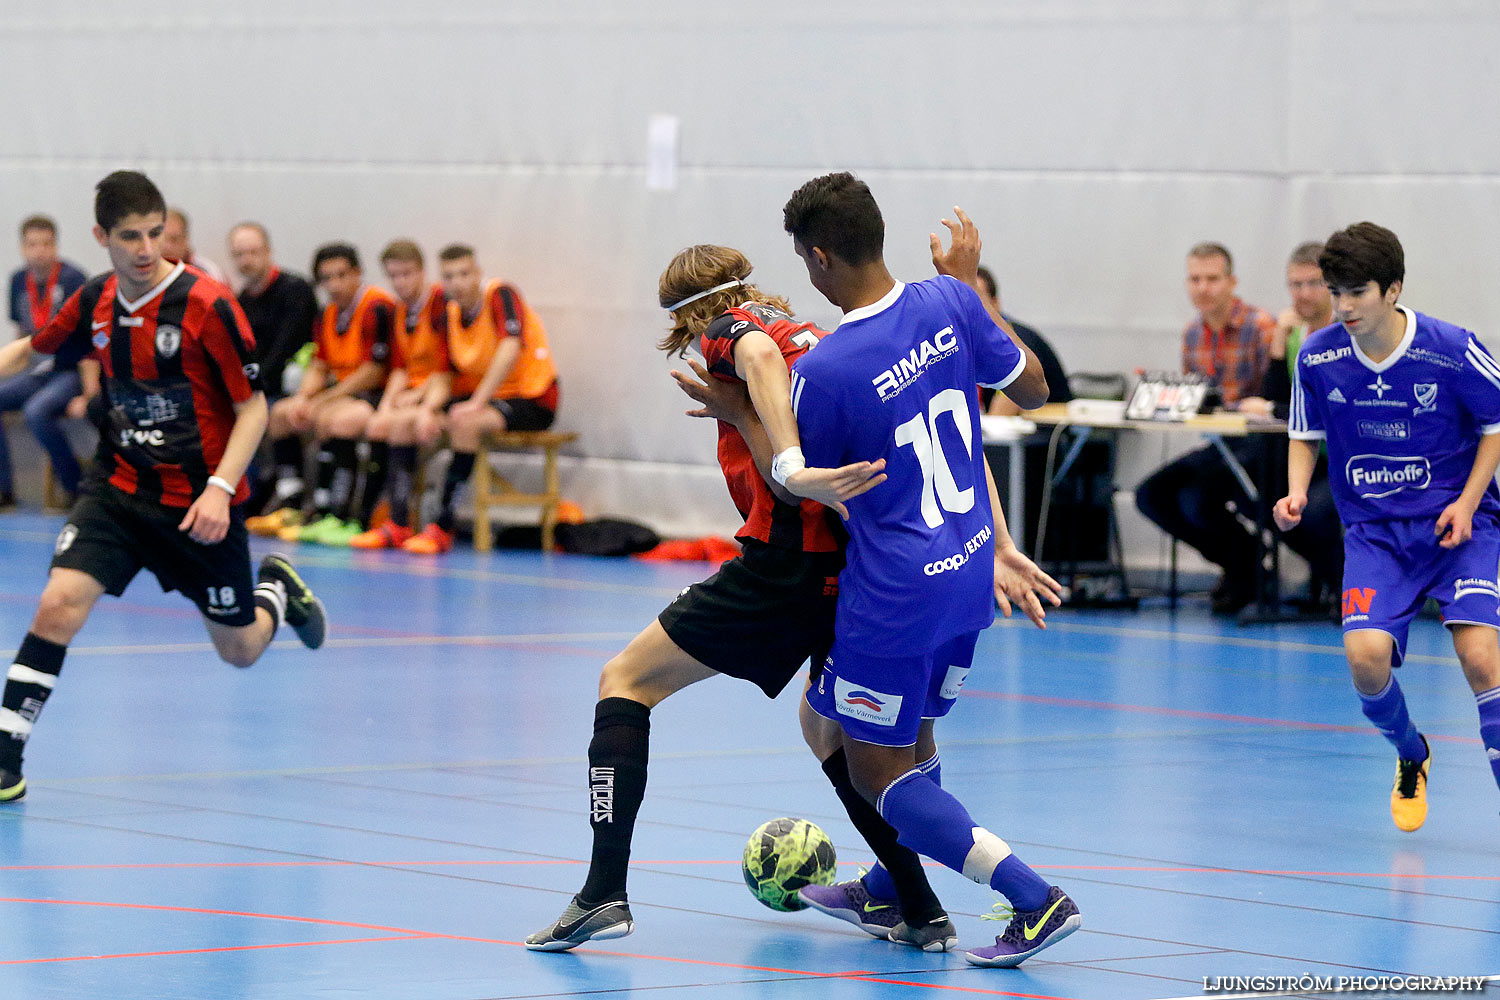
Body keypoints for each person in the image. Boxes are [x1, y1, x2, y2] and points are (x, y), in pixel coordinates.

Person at [526, 242, 971, 953]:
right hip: (851, 567)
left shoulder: (730, 329)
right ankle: (919, 908)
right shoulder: (810, 335)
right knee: (830, 730)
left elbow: (757, 359)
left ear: (683, 313)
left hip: (784, 567)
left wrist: (781, 456)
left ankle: (603, 891)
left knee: (624, 682)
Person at [780, 172, 1079, 968]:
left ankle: (1033, 898)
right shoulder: (949, 301)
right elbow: (1034, 390)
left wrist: (747, 412)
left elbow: (814, 494)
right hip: (969, 570)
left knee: (880, 774)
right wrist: (972, 287)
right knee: (837, 721)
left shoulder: (827, 370)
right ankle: (886, 881)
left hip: (895, 595)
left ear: (818, 258)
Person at [0, 171, 325, 804]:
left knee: (240, 649)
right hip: (118, 490)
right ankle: (5, 757)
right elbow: (31, 349)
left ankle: (277, 591)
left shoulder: (207, 306)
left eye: (155, 234)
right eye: (130, 237)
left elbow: (253, 409)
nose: (146, 250)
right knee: (58, 602)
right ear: (102, 237)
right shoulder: (94, 300)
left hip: (199, 505)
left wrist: (221, 489)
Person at [1276, 222, 1500, 831]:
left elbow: (1495, 424)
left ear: (1393, 289)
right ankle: (1411, 751)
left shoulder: (1450, 348)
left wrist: (1467, 501)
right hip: (1376, 534)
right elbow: (1304, 433)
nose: (1343, 306)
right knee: (1365, 657)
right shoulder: (1319, 355)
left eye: (1358, 293)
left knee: (1482, 658)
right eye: (1336, 291)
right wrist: (1297, 492)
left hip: (1460, 527)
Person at [1134, 242, 1277, 613]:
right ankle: (1242, 563)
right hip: (1219, 443)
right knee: (1151, 494)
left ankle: (1244, 570)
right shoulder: (1192, 334)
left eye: (1212, 279)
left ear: (1232, 282)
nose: (1203, 288)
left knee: (1196, 499)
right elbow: (1195, 399)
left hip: (1257, 443)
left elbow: (1275, 395)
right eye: (1195, 279)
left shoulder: (1260, 327)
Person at [414, 245, 558, 554]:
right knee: (405, 423)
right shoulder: (447, 313)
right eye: (449, 276)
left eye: (465, 273)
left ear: (477, 274)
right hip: (485, 399)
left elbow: (510, 347)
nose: (458, 282)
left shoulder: (500, 294)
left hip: (532, 398)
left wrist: (478, 401)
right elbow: (443, 373)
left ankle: (442, 526)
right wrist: (427, 409)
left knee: (465, 424)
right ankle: (396, 521)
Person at [248, 244, 393, 545]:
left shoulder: (376, 306)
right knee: (282, 414)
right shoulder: (327, 313)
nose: (334, 285)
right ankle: (294, 503)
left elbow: (374, 371)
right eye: (327, 278)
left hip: (378, 394)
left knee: (335, 420)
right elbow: (318, 363)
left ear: (357, 273)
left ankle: (339, 513)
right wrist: (304, 396)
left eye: (341, 275)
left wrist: (326, 399)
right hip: (341, 392)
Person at [1244, 242, 1343, 597]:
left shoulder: (1344, 336)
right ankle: (1325, 580)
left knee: (1314, 514)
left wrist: (1271, 411)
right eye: (1295, 285)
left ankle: (1343, 583)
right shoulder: (1295, 335)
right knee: (1254, 498)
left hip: (1342, 460)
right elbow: (1278, 396)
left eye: (1313, 283)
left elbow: (1324, 409)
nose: (1303, 293)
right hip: (1309, 458)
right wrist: (1278, 342)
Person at [349, 241, 451, 549]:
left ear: (422, 271)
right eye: (393, 276)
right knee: (380, 423)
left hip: (443, 392)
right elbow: (399, 368)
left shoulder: (441, 304)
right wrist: (386, 405)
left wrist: (421, 399)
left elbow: (448, 367)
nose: (400, 282)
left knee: (400, 426)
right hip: (416, 392)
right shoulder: (399, 311)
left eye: (406, 274)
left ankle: (403, 521)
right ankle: (383, 518)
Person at [1, 216, 91, 507]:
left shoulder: (74, 279)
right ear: (22, 247)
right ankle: (5, 489)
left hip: (69, 370)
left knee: (36, 411)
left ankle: (76, 486)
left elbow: (91, 339)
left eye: (46, 243)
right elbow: (22, 334)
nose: (39, 251)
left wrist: (89, 393)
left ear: (55, 246)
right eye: (32, 244)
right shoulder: (17, 281)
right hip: (35, 371)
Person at [229, 222, 319, 514]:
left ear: (268, 251)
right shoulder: (241, 301)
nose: (247, 260)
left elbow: (285, 350)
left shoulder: (295, 291)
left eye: (253, 252)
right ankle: (244, 493)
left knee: (257, 413)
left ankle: (275, 494)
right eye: (239, 254)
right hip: (259, 387)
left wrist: (250, 388)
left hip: (294, 387)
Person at [974, 266, 1071, 414]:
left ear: (995, 303)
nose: (968, 307)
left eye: (977, 299)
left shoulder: (1012, 339)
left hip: (1051, 432)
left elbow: (1000, 415)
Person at [161, 207, 225, 284]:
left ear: (186, 239)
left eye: (174, 239)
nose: (167, 246)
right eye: (162, 239)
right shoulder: (146, 273)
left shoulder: (207, 272)